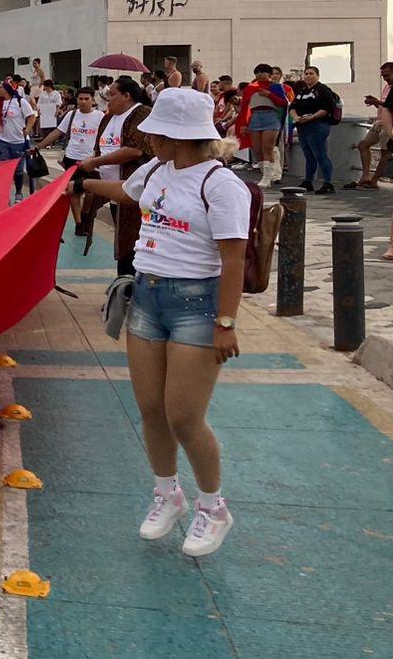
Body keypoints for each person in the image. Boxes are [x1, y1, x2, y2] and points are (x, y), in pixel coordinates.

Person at [81, 88, 249, 557]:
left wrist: (226, 321)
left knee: (184, 415)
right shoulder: (156, 169)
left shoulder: (220, 185)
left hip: (197, 305)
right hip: (147, 296)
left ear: (181, 137)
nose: (149, 139)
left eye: (157, 133)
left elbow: (233, 259)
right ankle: (166, 494)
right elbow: (125, 195)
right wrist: (79, 182)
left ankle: (213, 507)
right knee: (151, 407)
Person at [79, 79, 155, 275]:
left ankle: (130, 286)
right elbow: (101, 148)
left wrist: (96, 162)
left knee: (133, 240)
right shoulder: (108, 118)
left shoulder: (141, 114)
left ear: (127, 96)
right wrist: (91, 161)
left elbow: (135, 150)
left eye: (112, 94)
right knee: (122, 239)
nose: (107, 99)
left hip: (134, 193)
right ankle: (124, 283)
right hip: (114, 192)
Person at [33, 87, 105, 229]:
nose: (83, 102)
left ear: (93, 100)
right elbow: (58, 132)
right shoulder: (71, 115)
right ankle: (79, 224)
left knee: (91, 192)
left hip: (91, 160)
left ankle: (85, 214)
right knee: (74, 192)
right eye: (80, 99)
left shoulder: (100, 117)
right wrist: (39, 146)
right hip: (72, 158)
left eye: (86, 99)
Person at [235, 64, 288, 187]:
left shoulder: (275, 87)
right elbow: (244, 107)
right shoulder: (250, 88)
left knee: (267, 148)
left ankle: (267, 178)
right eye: (257, 72)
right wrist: (243, 123)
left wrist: (269, 95)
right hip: (254, 117)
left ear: (268, 73)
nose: (259, 74)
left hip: (270, 116)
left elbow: (284, 102)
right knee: (257, 149)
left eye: (262, 72)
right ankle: (265, 173)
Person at [289, 66, 339, 194]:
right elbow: (293, 106)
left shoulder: (323, 90)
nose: (308, 76)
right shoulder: (302, 91)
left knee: (320, 154)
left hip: (318, 125)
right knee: (309, 155)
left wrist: (313, 117)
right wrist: (296, 117)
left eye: (311, 73)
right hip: (302, 125)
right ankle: (308, 181)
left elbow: (328, 107)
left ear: (317, 76)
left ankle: (328, 183)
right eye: (306, 74)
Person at [347, 61, 393, 189]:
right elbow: (386, 105)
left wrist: (377, 101)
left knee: (385, 152)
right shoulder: (387, 87)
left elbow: (391, 106)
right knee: (363, 145)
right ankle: (366, 175)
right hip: (379, 121)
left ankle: (375, 179)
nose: (385, 78)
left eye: (387, 75)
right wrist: (376, 102)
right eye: (383, 76)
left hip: (389, 124)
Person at [0, 82, 38, 199]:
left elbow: (32, 116)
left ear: (6, 89)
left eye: (0, 88)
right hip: (1, 141)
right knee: (4, 170)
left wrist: (28, 128)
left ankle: (18, 192)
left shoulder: (20, 102)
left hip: (18, 142)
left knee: (18, 171)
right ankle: (4, 195)